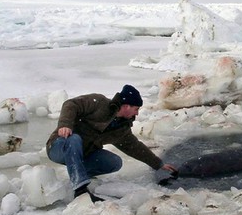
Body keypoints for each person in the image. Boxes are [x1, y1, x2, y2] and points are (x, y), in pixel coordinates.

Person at [46, 84, 177, 202]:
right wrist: (65, 124)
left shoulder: (121, 127)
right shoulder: (98, 103)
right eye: (136, 109)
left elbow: (134, 147)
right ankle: (80, 191)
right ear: (126, 106)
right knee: (74, 139)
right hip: (59, 146)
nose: (137, 113)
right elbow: (70, 104)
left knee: (114, 162)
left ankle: (77, 171)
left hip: (84, 154)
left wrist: (158, 164)